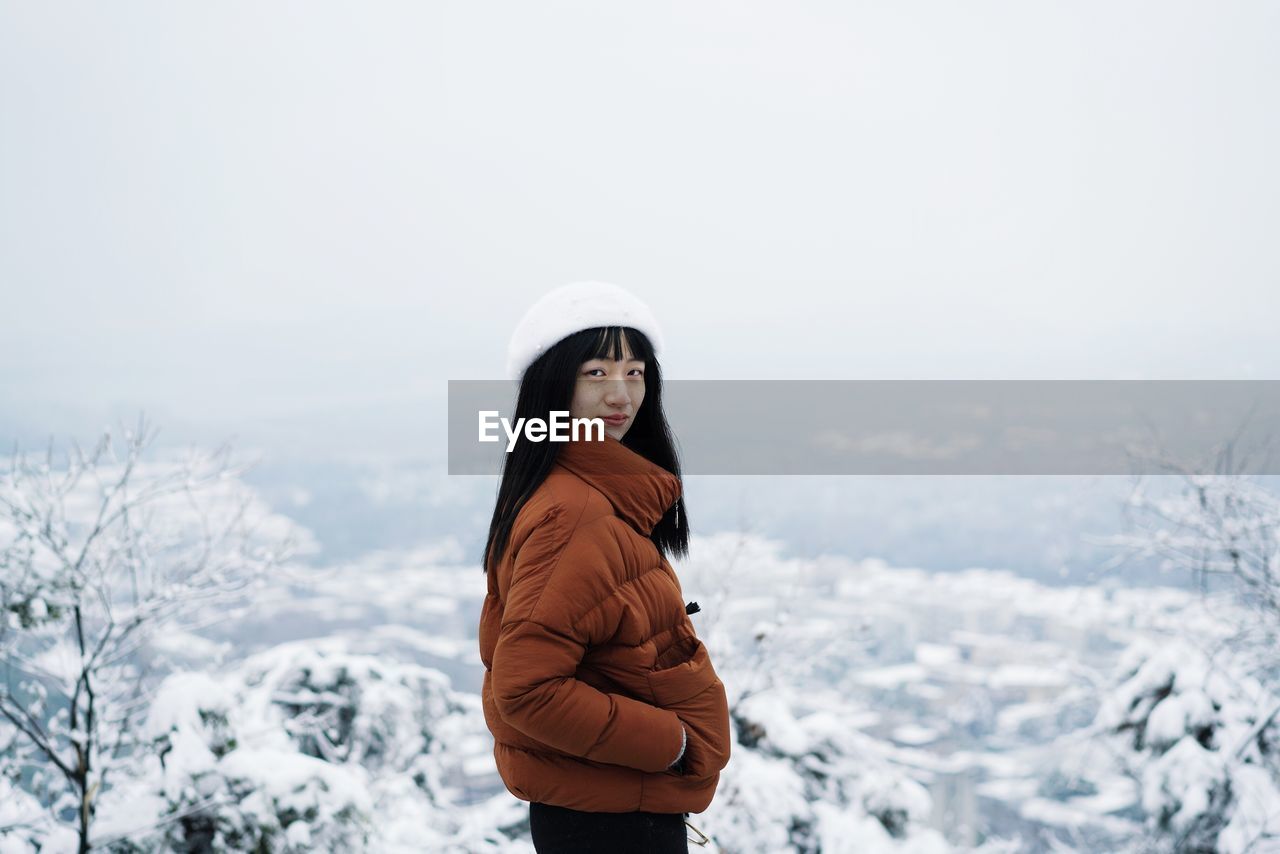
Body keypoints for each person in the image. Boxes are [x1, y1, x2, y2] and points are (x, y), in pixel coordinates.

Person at [478, 281, 731, 853]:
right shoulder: (576, 514)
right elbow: (528, 688)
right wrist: (672, 743)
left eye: (635, 372)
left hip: (606, 806)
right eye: (597, 372)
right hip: (610, 821)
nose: (621, 392)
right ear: (554, 383)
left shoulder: (587, 494)